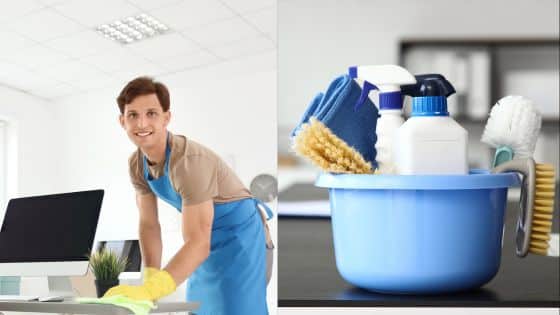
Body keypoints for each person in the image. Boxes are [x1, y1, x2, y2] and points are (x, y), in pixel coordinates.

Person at [105, 77, 273, 315]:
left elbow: (198, 243)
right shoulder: (136, 164)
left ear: (166, 117)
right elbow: (149, 224)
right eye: (133, 115)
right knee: (198, 308)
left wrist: (153, 290)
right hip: (202, 236)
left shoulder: (189, 162)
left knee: (234, 308)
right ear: (122, 121)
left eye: (151, 113)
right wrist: (150, 283)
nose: (142, 123)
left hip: (240, 238)